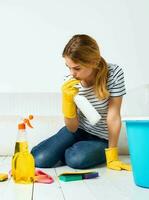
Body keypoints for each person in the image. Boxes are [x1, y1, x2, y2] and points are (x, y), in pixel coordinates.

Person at [31, 34, 131, 170]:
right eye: (68, 67)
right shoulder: (70, 82)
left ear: (93, 62)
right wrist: (67, 101)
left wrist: (112, 154)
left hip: (100, 138)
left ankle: (75, 151)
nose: (72, 73)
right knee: (38, 159)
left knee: (75, 159)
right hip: (77, 131)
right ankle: (72, 150)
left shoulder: (114, 73)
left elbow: (113, 116)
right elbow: (72, 128)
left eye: (77, 68)